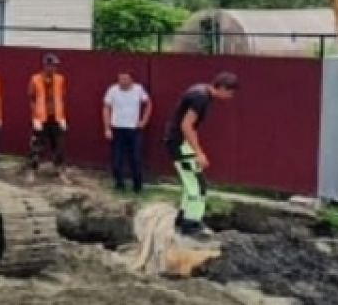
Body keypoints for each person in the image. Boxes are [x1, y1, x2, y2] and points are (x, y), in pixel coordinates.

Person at [162, 71, 239, 236]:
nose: (230, 97)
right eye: (230, 93)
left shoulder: (200, 90)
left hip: (177, 140)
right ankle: (191, 225)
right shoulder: (201, 98)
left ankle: (183, 218)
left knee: (191, 182)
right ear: (223, 88)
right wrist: (199, 153)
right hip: (180, 142)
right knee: (198, 186)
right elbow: (186, 125)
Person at [102, 70, 152, 193]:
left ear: (131, 80)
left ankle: (137, 186)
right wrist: (107, 128)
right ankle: (119, 184)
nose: (122, 82)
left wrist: (144, 120)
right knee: (116, 160)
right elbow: (106, 108)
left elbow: (149, 103)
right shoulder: (112, 90)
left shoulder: (138, 89)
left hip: (134, 130)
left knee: (136, 158)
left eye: (125, 79)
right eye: (120, 79)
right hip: (117, 129)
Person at [25, 53, 69, 184]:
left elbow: (62, 97)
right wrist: (35, 117)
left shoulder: (60, 79)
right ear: (46, 65)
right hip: (41, 117)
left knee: (59, 146)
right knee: (36, 147)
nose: (54, 68)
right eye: (52, 65)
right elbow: (31, 98)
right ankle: (32, 172)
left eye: (56, 66)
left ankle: (60, 172)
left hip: (56, 118)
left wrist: (62, 117)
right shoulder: (35, 79)